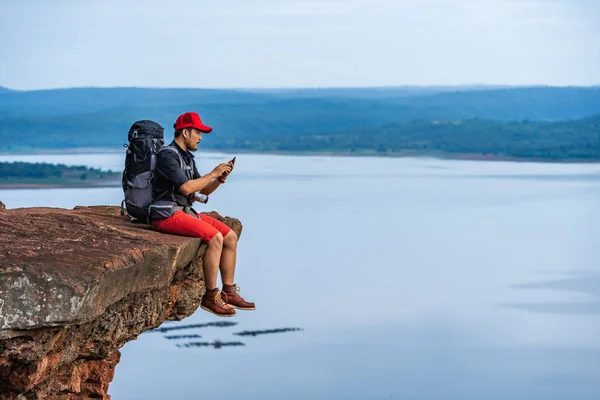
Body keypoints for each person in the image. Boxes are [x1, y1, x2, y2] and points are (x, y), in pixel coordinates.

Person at [151, 111, 255, 317]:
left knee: (230, 237)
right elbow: (187, 188)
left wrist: (219, 179)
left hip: (184, 212)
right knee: (215, 238)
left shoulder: (186, 157)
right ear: (185, 132)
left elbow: (202, 190)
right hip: (166, 214)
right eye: (198, 132)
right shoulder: (167, 155)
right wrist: (213, 173)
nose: (200, 137)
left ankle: (229, 291)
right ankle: (210, 297)